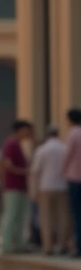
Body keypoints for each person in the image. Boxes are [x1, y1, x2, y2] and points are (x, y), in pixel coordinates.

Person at [30, 124, 70, 256]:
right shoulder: (64, 148)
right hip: (62, 186)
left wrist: (34, 191)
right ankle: (63, 244)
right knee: (63, 217)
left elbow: (35, 171)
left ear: (47, 134)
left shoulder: (42, 149)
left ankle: (48, 246)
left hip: (46, 186)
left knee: (46, 218)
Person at [0, 119, 34, 255]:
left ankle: (18, 243)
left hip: (20, 186)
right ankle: (7, 244)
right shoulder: (11, 144)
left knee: (20, 216)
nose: (29, 133)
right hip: (12, 185)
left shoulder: (17, 145)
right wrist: (23, 171)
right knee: (11, 215)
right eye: (27, 130)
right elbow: (7, 164)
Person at [63, 107, 81, 258]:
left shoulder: (73, 133)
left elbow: (67, 156)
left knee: (77, 214)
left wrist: (62, 172)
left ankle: (78, 247)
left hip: (75, 179)